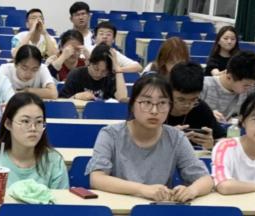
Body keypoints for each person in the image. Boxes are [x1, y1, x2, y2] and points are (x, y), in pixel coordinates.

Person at [86, 74, 215, 202]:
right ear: (132, 104)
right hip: (118, 206)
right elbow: (97, 178)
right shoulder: (110, 134)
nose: (154, 111)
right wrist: (142, 189)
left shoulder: (176, 138)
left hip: (158, 209)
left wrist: (191, 190)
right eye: (146, 102)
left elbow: (206, 179)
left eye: (162, 103)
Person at [0, 92, 69, 189]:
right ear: (8, 124)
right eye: (25, 121)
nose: (33, 128)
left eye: (39, 122)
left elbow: (61, 200)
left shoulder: (54, 162)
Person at [165, 61, 225, 152]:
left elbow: (222, 139)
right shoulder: (157, 108)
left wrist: (212, 145)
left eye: (193, 100)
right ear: (169, 91)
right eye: (181, 99)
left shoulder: (201, 108)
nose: (187, 105)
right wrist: (165, 137)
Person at [201, 50, 255, 123]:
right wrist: (205, 114)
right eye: (246, 85)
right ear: (229, 77)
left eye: (253, 84)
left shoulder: (252, 84)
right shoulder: (203, 85)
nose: (250, 88)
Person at [59, 44, 128, 102]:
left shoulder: (111, 76)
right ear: (90, 62)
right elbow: (62, 102)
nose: (99, 74)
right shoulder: (76, 74)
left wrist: (118, 69)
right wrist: (76, 97)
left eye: (104, 71)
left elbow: (122, 98)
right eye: (96, 69)